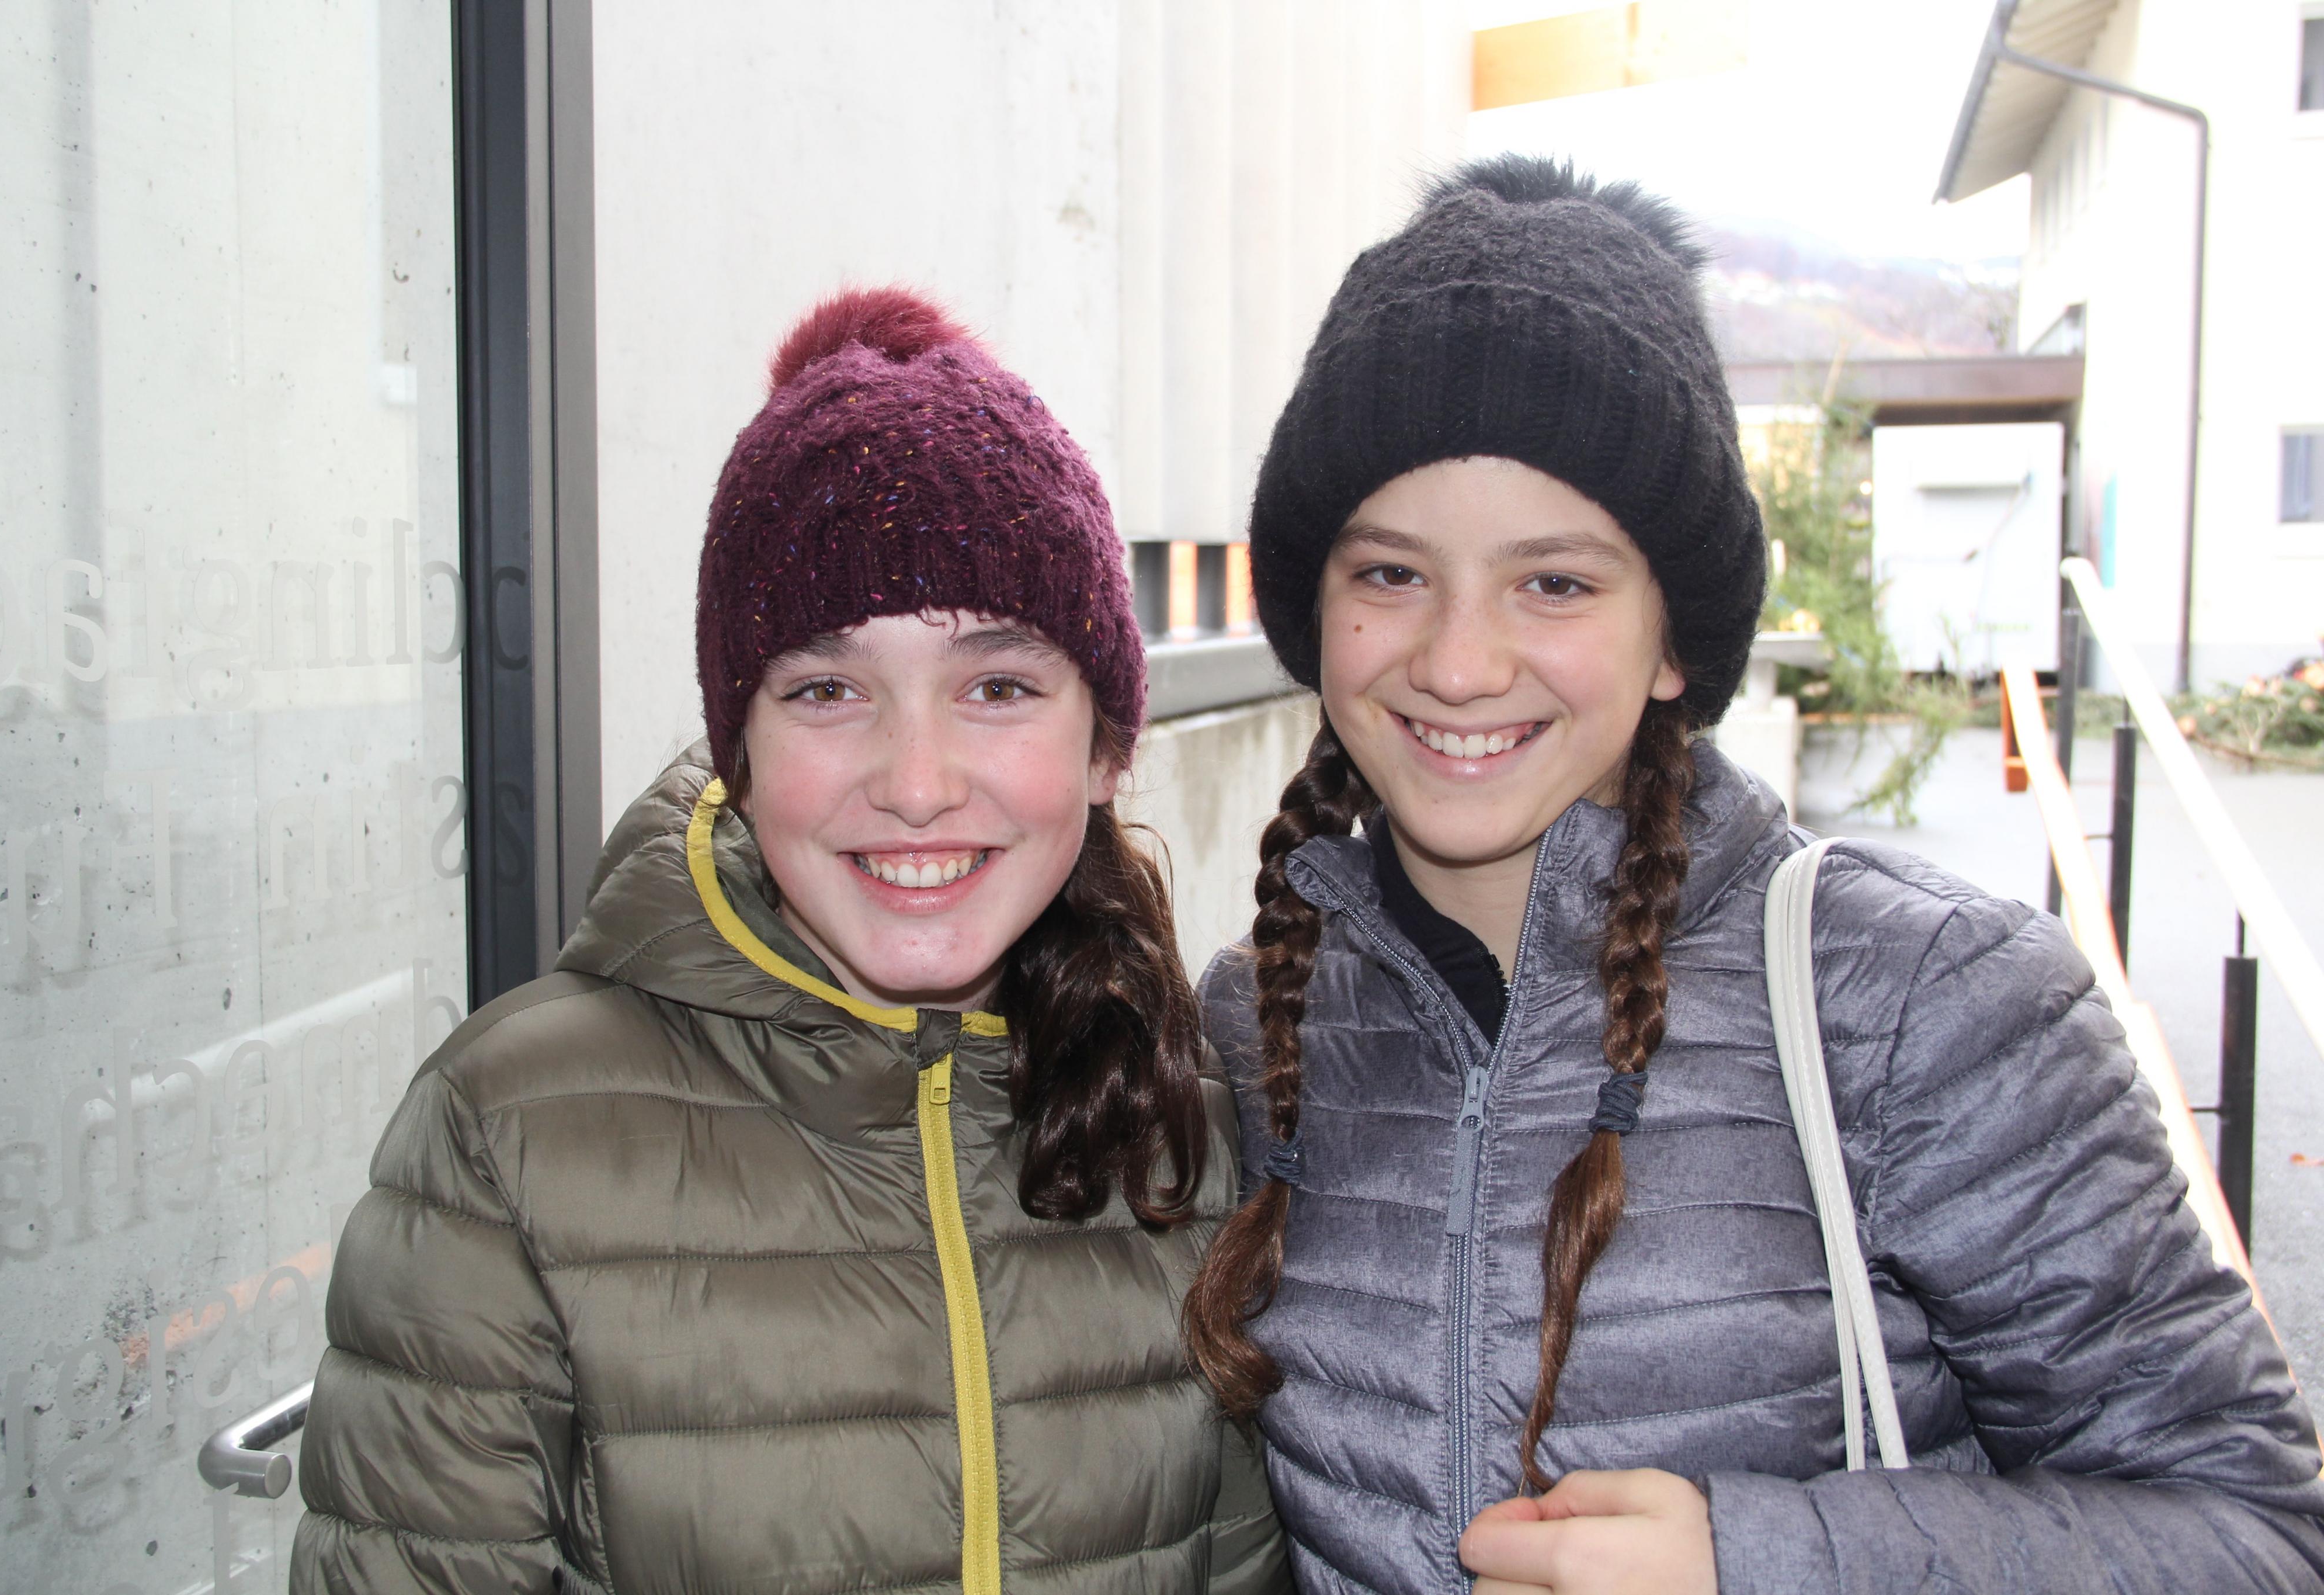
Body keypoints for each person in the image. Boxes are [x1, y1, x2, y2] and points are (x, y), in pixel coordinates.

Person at [1180, 157, 2324, 1593]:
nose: (1458, 663)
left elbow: (2251, 1538)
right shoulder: (1253, 1026)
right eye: (1390, 575)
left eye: (1554, 582)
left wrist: (1758, 1563)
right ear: (1314, 616)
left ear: (1674, 642)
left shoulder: (1921, 1002)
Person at [293, 287, 1286, 1593]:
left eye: (998, 686)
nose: (917, 783)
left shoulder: (1177, 1104)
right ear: (740, 755)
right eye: (826, 689)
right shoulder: (510, 1138)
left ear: (1105, 749)